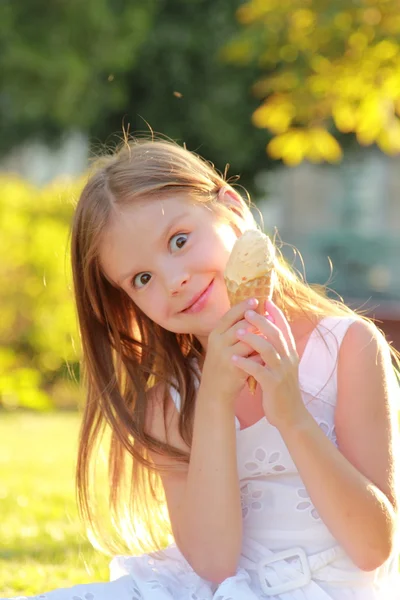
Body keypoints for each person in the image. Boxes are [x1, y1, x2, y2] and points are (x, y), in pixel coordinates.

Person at [4, 137, 400, 600]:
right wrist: (213, 398)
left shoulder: (347, 348)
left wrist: (291, 415)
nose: (174, 282)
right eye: (142, 279)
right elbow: (213, 564)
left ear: (230, 207)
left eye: (179, 240)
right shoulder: (170, 401)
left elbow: (374, 547)